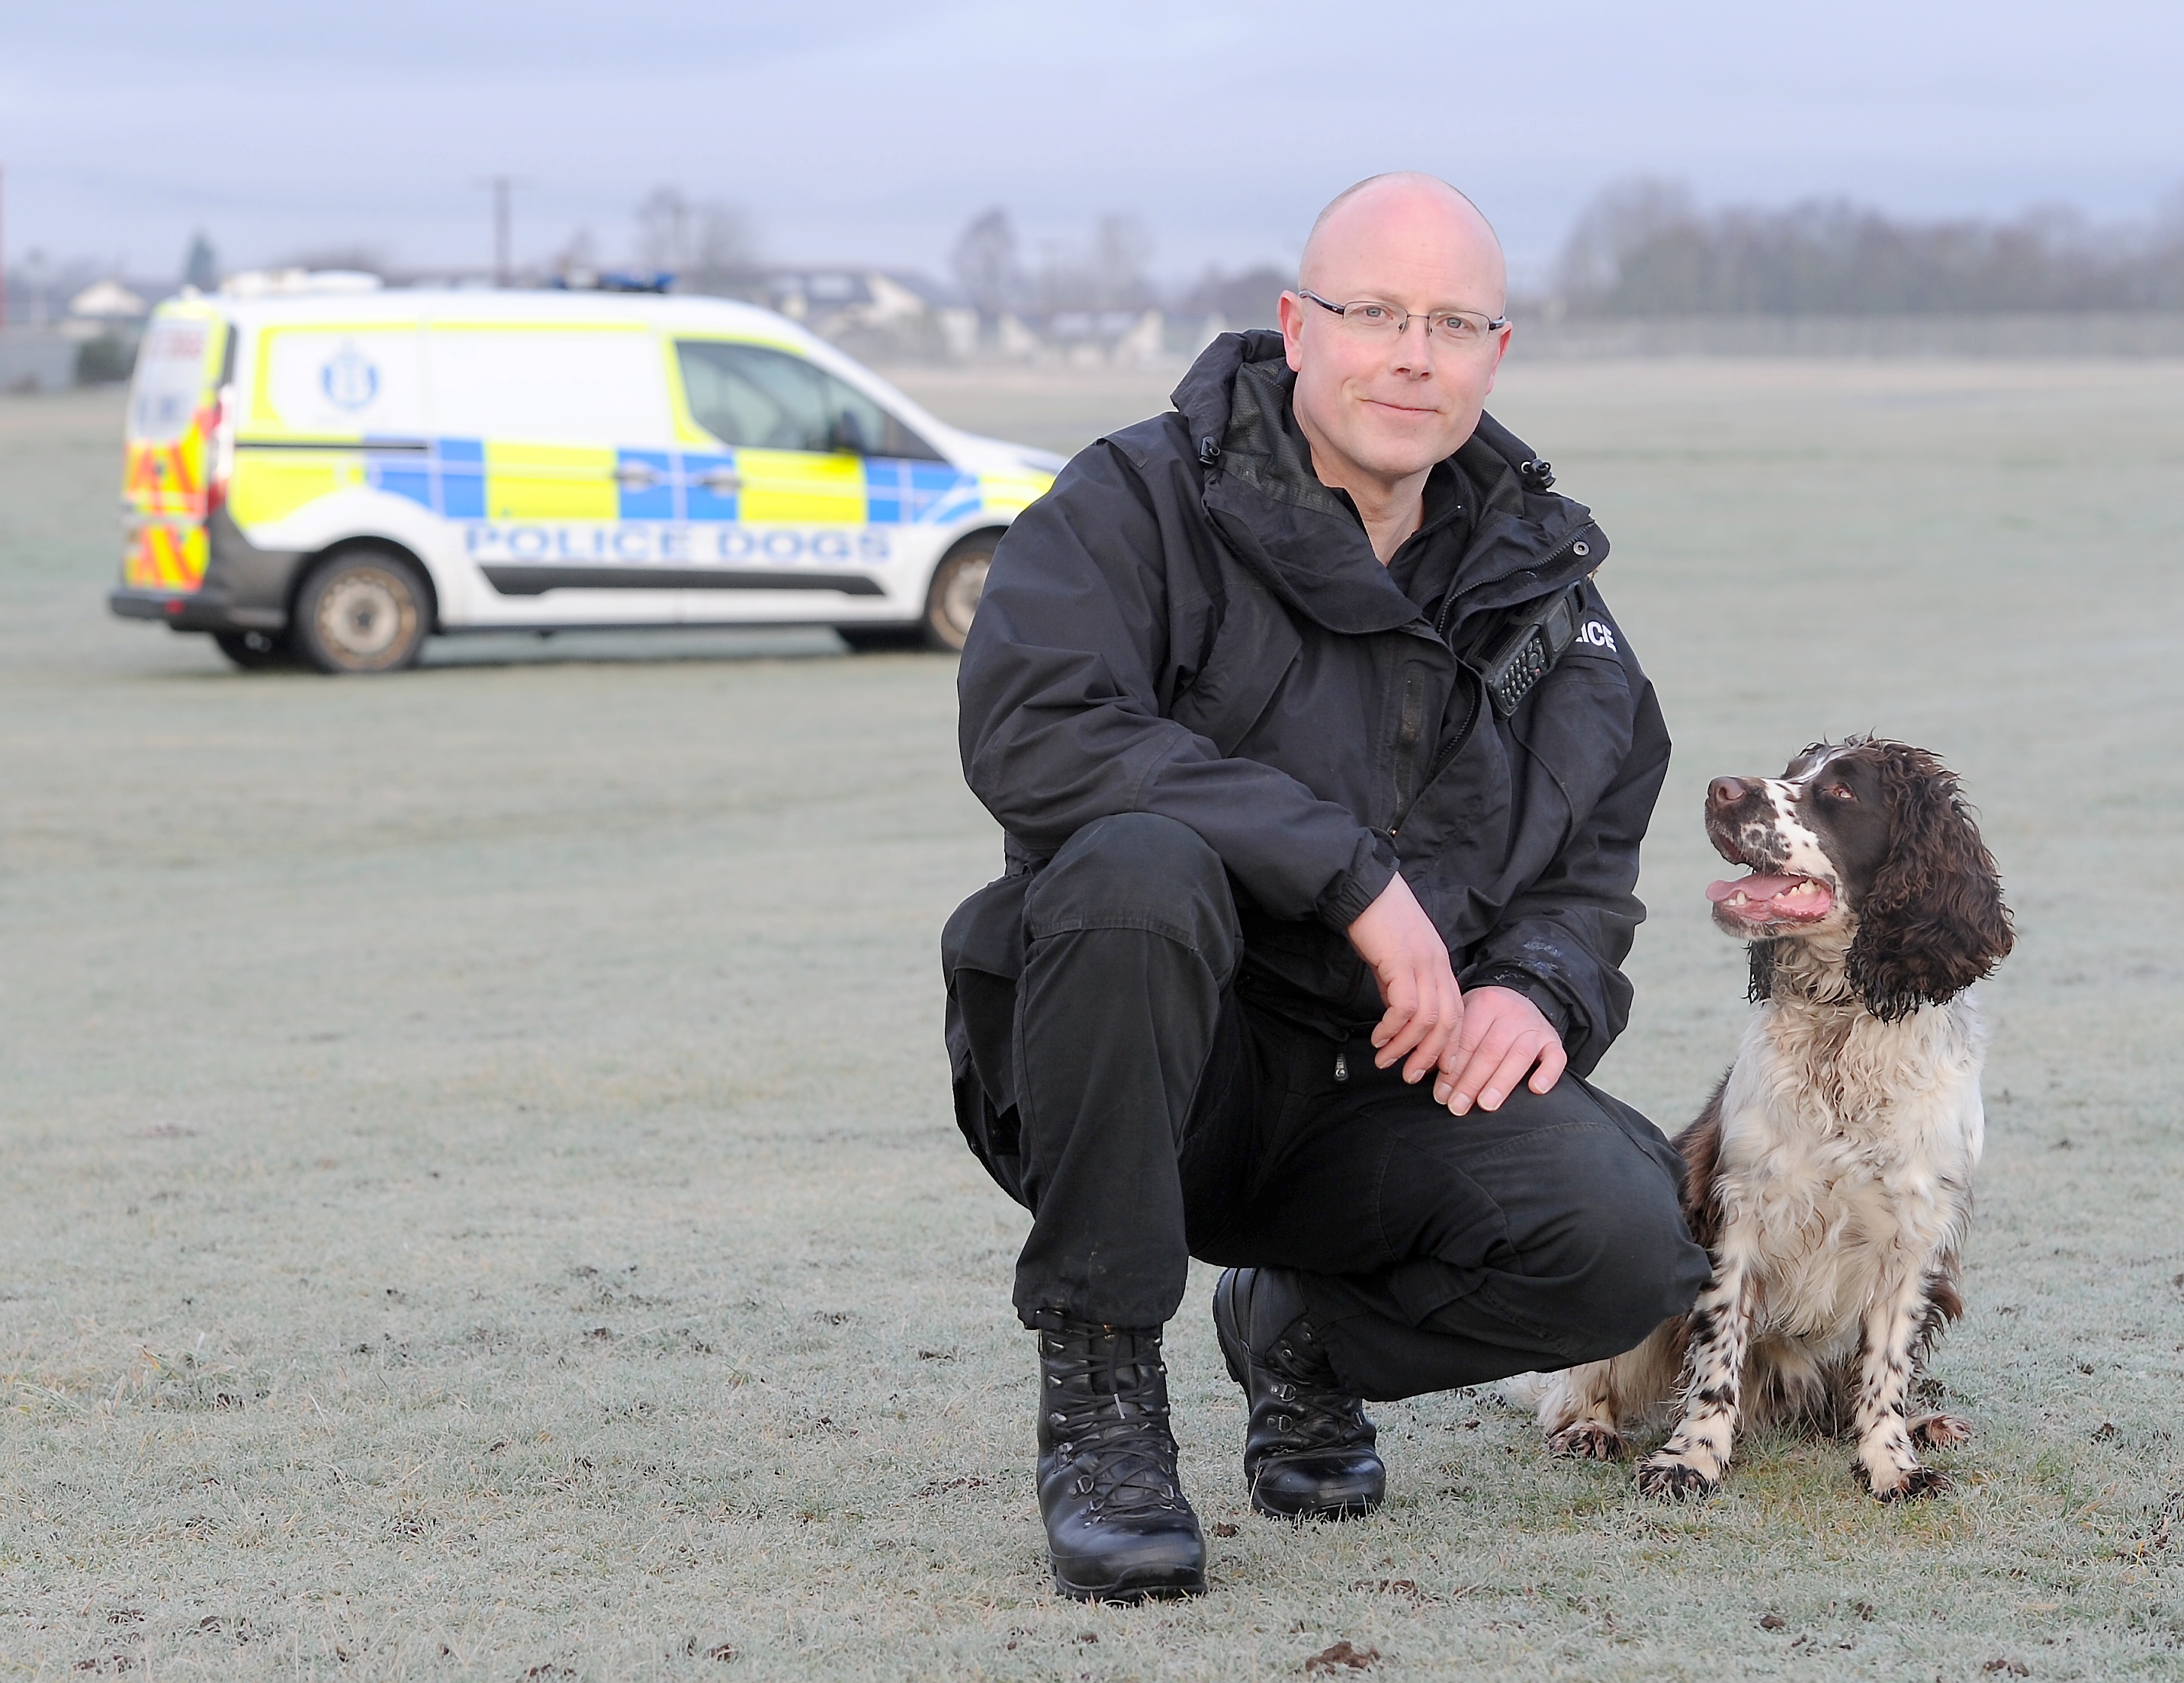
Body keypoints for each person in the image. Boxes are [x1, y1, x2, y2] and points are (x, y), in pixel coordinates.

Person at [940, 173, 1710, 1603]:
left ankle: (1295, 1335)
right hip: (1144, 1066)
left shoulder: (1547, 591)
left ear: (1497, 352)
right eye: (1373, 312)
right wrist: (1350, 876)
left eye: (1452, 322)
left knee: (1631, 1239)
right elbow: (1033, 726)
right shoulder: (1136, 502)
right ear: (1296, 325)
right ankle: (1105, 1402)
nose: (1412, 354)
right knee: (1134, 867)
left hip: (1380, 1098)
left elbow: (1597, 851)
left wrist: (1540, 984)